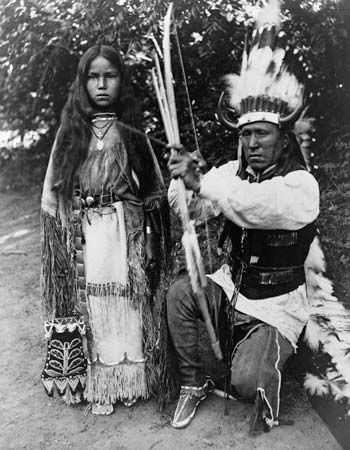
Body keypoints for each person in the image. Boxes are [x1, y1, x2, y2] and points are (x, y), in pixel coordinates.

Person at [165, 1, 320, 433]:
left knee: (248, 383)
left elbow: (256, 207)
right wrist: (184, 182)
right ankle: (194, 383)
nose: (252, 143)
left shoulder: (300, 186)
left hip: (275, 307)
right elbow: (194, 208)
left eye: (262, 134)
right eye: (245, 134)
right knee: (180, 293)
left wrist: (204, 182)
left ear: (283, 138)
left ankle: (249, 365)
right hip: (232, 288)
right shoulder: (233, 172)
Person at [40, 45, 169, 415]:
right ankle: (97, 381)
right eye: (93, 77)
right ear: (83, 84)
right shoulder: (70, 133)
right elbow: (53, 192)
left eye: (109, 76)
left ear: (121, 82)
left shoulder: (132, 135)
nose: (101, 84)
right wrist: (62, 242)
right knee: (93, 305)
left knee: (127, 303)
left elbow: (153, 196)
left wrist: (148, 241)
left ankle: (130, 379)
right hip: (86, 235)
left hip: (123, 233)